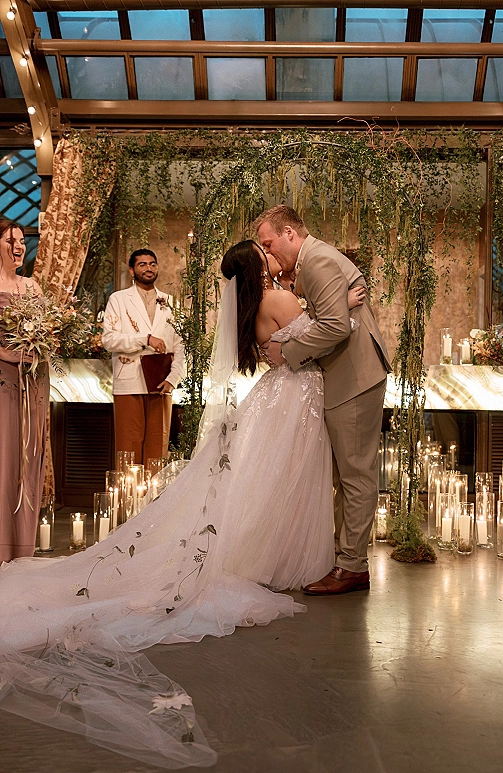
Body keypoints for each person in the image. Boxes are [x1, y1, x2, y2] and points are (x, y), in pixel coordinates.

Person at [0, 239, 363, 768]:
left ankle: (262, 547)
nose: (271, 256)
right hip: (296, 398)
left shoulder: (253, 306)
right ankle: (278, 554)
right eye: (264, 255)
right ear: (256, 269)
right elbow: (325, 331)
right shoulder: (280, 301)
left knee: (269, 484)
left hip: (280, 397)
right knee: (284, 483)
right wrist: (346, 305)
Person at [254, 205, 390, 595]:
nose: (269, 252)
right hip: (346, 376)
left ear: (289, 233)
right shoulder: (314, 262)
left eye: (270, 243)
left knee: (355, 474)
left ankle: (351, 567)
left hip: (355, 377)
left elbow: (334, 327)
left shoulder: (318, 263)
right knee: (343, 475)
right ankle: (342, 557)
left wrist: (290, 351)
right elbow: (331, 316)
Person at [102, 248, 186, 465]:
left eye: (152, 264)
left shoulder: (170, 302)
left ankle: (155, 498)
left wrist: (173, 378)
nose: (148, 268)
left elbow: (181, 345)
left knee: (158, 450)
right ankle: (129, 499)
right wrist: (145, 339)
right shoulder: (118, 300)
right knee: (128, 448)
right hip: (129, 382)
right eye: (142, 264)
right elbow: (109, 340)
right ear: (131, 270)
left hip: (160, 383)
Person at [0, 220, 49, 563]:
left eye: (22, 240)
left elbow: (48, 328)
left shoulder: (33, 287)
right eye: (10, 240)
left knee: (28, 457)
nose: (19, 246)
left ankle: (23, 548)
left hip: (33, 379)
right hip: (3, 377)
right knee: (5, 455)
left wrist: (43, 346)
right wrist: (9, 354)